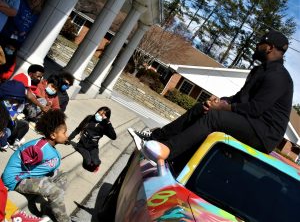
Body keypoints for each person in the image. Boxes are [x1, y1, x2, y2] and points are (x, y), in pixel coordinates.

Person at [134, 30, 293, 170]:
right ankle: (156, 138)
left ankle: (167, 151)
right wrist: (219, 102)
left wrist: (222, 109)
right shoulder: (259, 70)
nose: (257, 46)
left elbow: (255, 108)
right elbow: (238, 98)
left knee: (214, 117)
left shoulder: (279, 76)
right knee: (202, 108)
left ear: (269, 47)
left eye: (261, 43)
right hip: (250, 121)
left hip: (264, 133)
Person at [1, 109, 71, 222]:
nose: (66, 135)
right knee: (55, 191)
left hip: (28, 176)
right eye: (64, 133)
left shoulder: (48, 147)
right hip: (17, 180)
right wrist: (45, 182)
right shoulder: (38, 148)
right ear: (53, 135)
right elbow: (24, 165)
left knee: (63, 176)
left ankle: (49, 209)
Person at [67, 106, 117, 172]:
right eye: (99, 112)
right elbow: (78, 129)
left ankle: (94, 165)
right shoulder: (90, 118)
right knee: (87, 162)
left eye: (102, 115)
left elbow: (114, 137)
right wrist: (69, 139)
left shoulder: (104, 125)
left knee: (96, 162)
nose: (99, 115)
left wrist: (108, 122)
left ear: (105, 117)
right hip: (82, 146)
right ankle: (89, 164)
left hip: (93, 147)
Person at [0, 80, 29, 150]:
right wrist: (3, 144)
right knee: (9, 131)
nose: (16, 103)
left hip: (5, 127)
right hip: (4, 130)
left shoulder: (5, 103)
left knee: (24, 124)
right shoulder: (2, 107)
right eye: (15, 100)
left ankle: (13, 140)